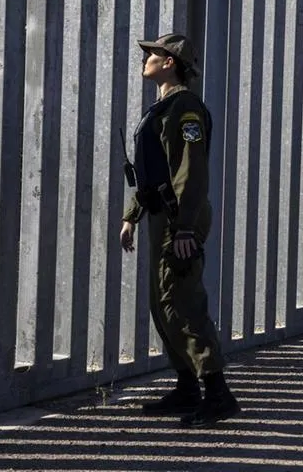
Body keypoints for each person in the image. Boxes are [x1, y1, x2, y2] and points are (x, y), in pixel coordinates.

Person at [119, 33, 240, 427]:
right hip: (162, 216)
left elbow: (190, 172)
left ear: (170, 62)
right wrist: (132, 215)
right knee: (163, 304)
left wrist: (185, 227)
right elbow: (153, 173)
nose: (146, 58)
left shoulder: (184, 109)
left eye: (153, 53)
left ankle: (218, 394)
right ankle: (188, 387)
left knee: (182, 303)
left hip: (178, 220)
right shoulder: (162, 107)